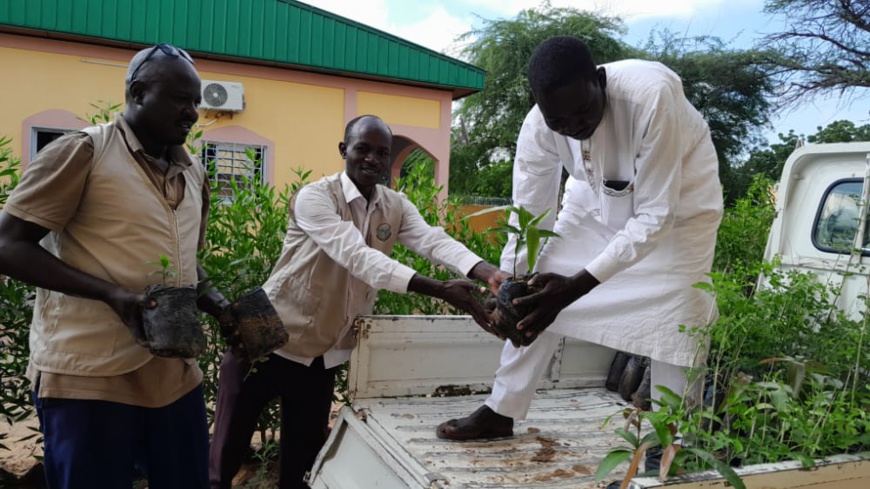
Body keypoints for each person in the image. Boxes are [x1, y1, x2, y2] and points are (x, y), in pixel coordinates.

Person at [435, 36, 724, 445]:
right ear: (539, 106)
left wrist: (575, 287)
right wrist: (511, 284)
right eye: (560, 121)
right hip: (593, 203)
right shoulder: (538, 126)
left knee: (679, 317)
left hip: (680, 212)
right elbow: (529, 213)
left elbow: (656, 214)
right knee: (533, 292)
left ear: (599, 80)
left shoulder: (651, 97)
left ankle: (675, 440)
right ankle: (501, 410)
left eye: (583, 112)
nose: (573, 127)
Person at [208, 114, 507, 489]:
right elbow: (357, 257)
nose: (372, 159)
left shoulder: (394, 206)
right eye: (363, 149)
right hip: (265, 333)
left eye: (382, 153)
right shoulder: (315, 197)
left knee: (303, 465)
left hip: (320, 353)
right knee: (224, 458)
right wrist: (440, 289)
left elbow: (432, 241)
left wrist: (488, 272)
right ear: (343, 150)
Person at [0, 44, 230, 488]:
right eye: (179, 99)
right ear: (138, 93)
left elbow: (183, 257)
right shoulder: (84, 152)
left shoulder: (192, 171)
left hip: (172, 373)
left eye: (195, 101)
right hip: (89, 374)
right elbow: (8, 244)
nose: (192, 112)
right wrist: (112, 295)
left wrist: (215, 302)